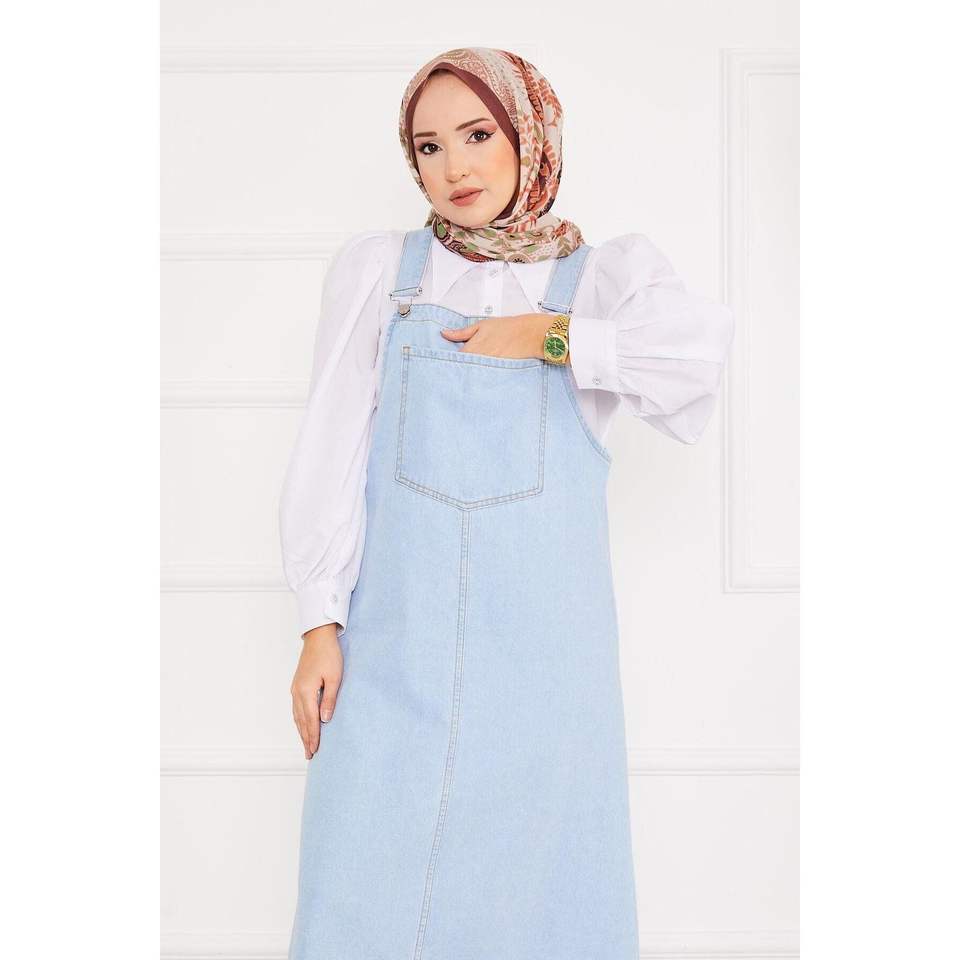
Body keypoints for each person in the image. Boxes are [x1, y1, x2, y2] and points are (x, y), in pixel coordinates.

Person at [280, 47, 734, 960]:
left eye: (478, 134)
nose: (455, 166)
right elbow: (330, 444)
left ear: (531, 137)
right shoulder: (384, 273)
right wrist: (318, 623)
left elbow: (694, 363)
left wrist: (552, 336)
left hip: (546, 668)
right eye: (429, 146)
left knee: (546, 894)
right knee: (361, 878)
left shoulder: (601, 280)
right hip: (395, 649)